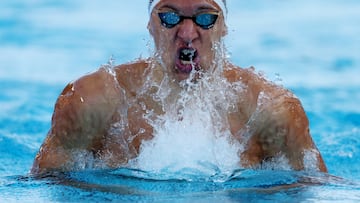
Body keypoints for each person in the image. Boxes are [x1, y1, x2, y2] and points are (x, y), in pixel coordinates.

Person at [31, 0, 327, 175]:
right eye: (169, 17)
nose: (187, 34)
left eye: (205, 18)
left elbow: (316, 191)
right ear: (150, 24)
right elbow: (43, 188)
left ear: (224, 26)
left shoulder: (268, 110)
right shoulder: (93, 102)